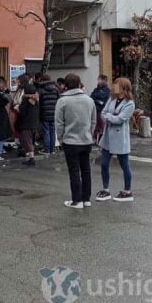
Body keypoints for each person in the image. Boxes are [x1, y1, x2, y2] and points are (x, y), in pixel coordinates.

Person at [55, 73, 96, 209]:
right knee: (86, 169)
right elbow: (93, 120)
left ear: (66, 85)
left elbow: (59, 123)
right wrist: (89, 133)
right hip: (86, 139)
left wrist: (60, 138)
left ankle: (76, 200)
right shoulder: (89, 100)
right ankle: (86, 199)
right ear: (79, 84)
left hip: (70, 140)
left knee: (74, 171)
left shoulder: (62, 101)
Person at [96, 77, 136, 203]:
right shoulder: (112, 99)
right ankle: (106, 189)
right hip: (108, 136)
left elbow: (120, 119)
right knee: (104, 164)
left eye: (117, 85)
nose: (114, 87)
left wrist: (109, 117)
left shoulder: (130, 103)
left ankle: (127, 190)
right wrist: (110, 116)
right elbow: (102, 113)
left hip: (120, 137)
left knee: (124, 165)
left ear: (124, 87)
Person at [16, 76, 41, 166]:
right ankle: (30, 157)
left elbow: (22, 112)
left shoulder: (25, 100)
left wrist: (18, 108)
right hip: (34, 123)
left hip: (26, 123)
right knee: (30, 140)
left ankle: (31, 158)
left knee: (27, 141)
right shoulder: (36, 99)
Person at [38, 74, 60, 154]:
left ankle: (47, 149)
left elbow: (39, 103)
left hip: (44, 113)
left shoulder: (41, 90)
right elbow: (58, 100)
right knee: (52, 131)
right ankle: (52, 149)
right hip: (54, 113)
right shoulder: (55, 89)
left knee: (46, 131)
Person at [90, 74, 111, 144]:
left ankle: (102, 140)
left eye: (100, 79)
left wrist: (96, 99)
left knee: (102, 126)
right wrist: (97, 100)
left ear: (104, 80)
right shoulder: (96, 89)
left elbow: (102, 96)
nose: (98, 81)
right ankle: (96, 139)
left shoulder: (107, 90)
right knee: (95, 125)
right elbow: (92, 97)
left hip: (102, 110)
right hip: (95, 110)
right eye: (98, 79)